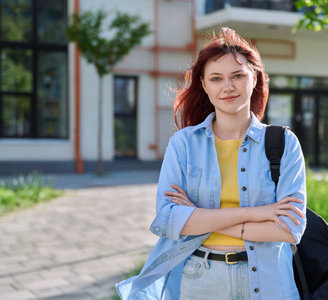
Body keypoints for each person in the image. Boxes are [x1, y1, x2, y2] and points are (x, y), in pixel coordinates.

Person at [116, 27, 307, 300]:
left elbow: (290, 229)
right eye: (216, 78)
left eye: (238, 76)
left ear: (255, 78)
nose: (228, 87)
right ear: (204, 85)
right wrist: (259, 212)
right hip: (201, 279)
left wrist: (197, 216)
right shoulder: (184, 144)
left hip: (270, 282)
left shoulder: (284, 143)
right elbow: (169, 220)